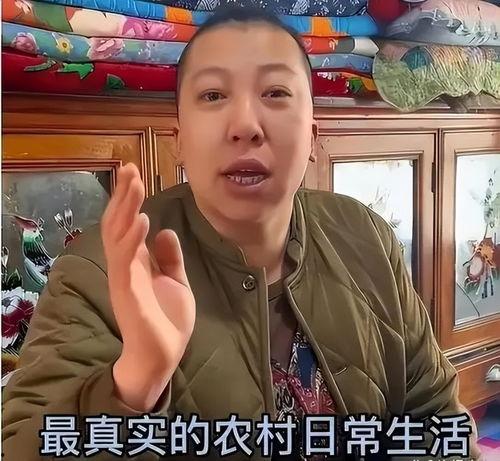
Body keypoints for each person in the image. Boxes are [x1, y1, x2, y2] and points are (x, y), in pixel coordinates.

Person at [2, 6, 481, 461]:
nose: (246, 126)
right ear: (179, 141)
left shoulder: (365, 234)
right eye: (213, 96)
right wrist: (134, 386)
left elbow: (436, 417)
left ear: (313, 137)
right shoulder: (100, 271)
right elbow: (23, 445)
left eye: (276, 93)